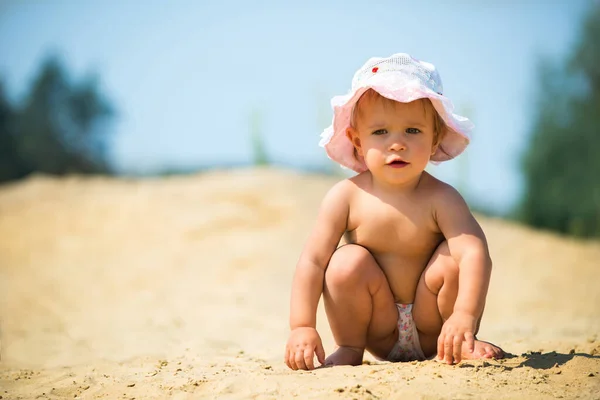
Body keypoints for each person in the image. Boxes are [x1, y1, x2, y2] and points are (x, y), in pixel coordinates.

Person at [284, 53, 504, 370]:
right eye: (380, 132)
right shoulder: (346, 196)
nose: (397, 144)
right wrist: (301, 326)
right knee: (345, 260)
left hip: (437, 329)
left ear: (435, 138)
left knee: (455, 254)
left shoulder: (442, 198)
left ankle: (461, 339)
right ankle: (349, 346)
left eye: (412, 131)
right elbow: (313, 261)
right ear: (356, 140)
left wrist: (464, 315)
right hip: (377, 327)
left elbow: (474, 255)